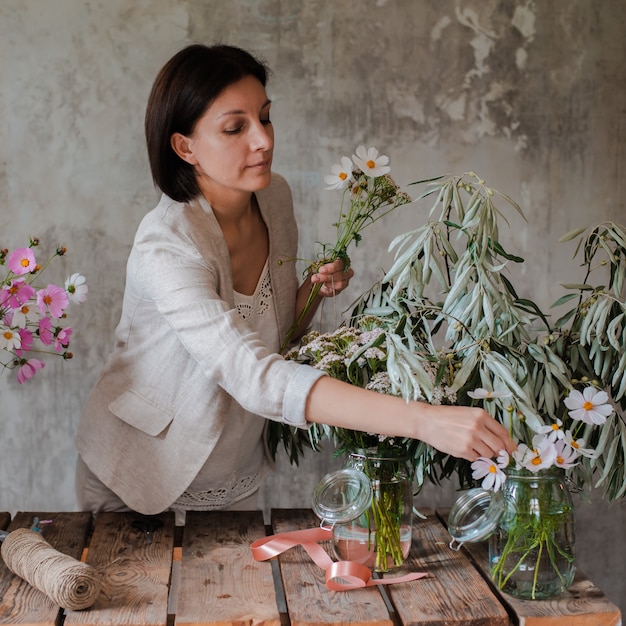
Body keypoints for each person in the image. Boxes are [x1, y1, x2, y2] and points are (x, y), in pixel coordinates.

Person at [75, 44, 514, 517]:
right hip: (139, 474)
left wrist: (309, 294)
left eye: (264, 118)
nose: (262, 140)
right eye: (234, 127)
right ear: (185, 146)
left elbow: (272, 337)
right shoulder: (166, 245)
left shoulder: (274, 197)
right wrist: (424, 420)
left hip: (233, 468)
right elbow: (251, 372)